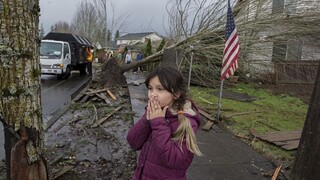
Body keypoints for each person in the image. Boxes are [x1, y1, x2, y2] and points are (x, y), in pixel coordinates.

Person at [127, 66, 203, 180]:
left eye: (160, 89)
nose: (152, 94)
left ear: (176, 93)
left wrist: (158, 123)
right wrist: (147, 120)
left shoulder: (187, 121)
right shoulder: (155, 112)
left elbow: (175, 160)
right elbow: (133, 142)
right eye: (150, 88)